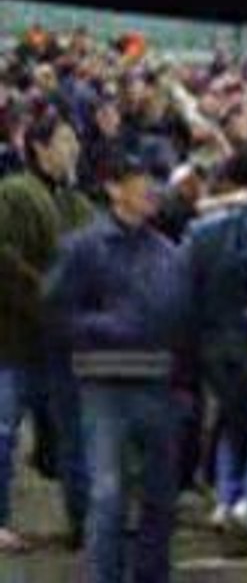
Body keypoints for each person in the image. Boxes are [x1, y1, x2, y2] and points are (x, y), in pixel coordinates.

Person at [45, 153, 189, 583]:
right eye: (142, 181)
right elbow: (56, 313)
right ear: (114, 189)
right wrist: (113, 327)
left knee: (160, 498)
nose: (152, 191)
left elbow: (183, 318)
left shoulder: (167, 252)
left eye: (154, 182)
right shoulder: (84, 247)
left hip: (159, 383)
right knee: (107, 496)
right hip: (102, 384)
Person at [0, 111, 93, 552]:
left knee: (75, 434)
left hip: (64, 343)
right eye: (65, 140)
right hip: (15, 340)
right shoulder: (15, 192)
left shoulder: (77, 202)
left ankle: (86, 520)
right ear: (39, 147)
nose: (73, 148)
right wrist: (51, 300)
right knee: (3, 429)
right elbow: (6, 260)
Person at [184, 147, 247, 535]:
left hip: (211, 333)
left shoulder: (201, 228)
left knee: (229, 419)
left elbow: (186, 280)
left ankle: (225, 499)